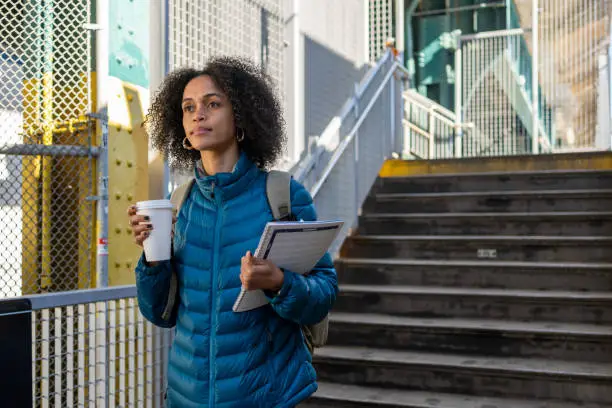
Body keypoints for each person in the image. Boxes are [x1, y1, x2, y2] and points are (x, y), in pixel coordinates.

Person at [126, 56, 338, 408]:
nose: (198, 115)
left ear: (239, 115)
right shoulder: (179, 204)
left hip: (267, 396)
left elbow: (323, 294)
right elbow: (159, 313)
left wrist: (279, 283)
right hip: (187, 396)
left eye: (213, 104)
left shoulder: (283, 196)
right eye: (188, 107)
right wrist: (152, 258)